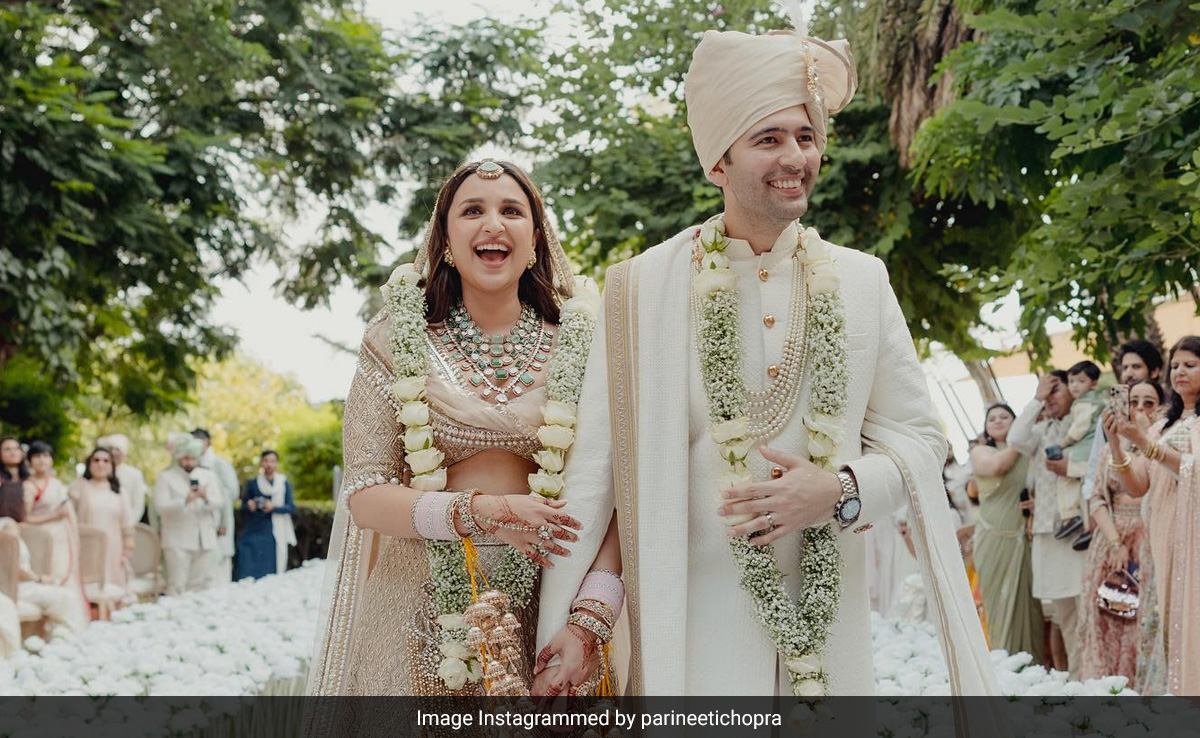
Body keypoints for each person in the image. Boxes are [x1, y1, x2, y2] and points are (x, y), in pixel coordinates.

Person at [534, 27, 995, 697]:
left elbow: (921, 441)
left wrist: (838, 489)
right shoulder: (640, 290)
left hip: (826, 634)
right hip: (690, 637)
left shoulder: (862, 282)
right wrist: (579, 620)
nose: (795, 158)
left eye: (806, 138)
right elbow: (602, 478)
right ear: (718, 163)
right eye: (769, 139)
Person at [305, 159, 592, 711]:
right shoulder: (394, 341)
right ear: (444, 240)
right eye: (472, 211)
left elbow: (612, 487)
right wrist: (486, 512)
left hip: (547, 601)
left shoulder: (582, 344)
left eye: (512, 211)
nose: (493, 224)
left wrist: (590, 619)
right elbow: (364, 495)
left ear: (536, 239)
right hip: (417, 605)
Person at [1105, 335, 1200, 695]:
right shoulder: (1165, 426)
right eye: (1175, 365)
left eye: (1190, 364)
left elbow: (1193, 469)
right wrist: (1117, 441)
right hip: (1162, 537)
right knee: (1169, 620)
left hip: (1193, 536)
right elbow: (1138, 485)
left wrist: (1146, 443)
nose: (1180, 372)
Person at [1077, 379, 1161, 682]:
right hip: (1111, 542)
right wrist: (1115, 544)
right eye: (1133, 401)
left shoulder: (1162, 448)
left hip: (1150, 539)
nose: (1139, 408)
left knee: (1141, 622)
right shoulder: (1108, 451)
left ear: (1160, 408)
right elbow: (1097, 498)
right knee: (1106, 616)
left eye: (1148, 402)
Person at [1008, 370, 1085, 675]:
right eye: (1045, 391)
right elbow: (1014, 438)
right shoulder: (1040, 433)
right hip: (1047, 532)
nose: (1049, 398)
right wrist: (1036, 398)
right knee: (1064, 613)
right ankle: (1078, 681)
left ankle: (1091, 680)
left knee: (1086, 610)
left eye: (1055, 390)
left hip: (1080, 531)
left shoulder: (1084, 427)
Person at [970, 403, 1043, 662]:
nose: (998, 421)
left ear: (1015, 422)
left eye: (1005, 417)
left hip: (1024, 538)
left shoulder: (1030, 456)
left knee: (1028, 607)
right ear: (986, 427)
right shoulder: (980, 451)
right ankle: (1001, 665)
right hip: (991, 539)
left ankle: (1031, 667)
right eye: (993, 418)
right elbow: (996, 468)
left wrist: (1037, 503)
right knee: (996, 605)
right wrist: (1021, 440)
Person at [0, 480, 87, 639]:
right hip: (16, 588)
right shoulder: (8, 527)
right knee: (66, 597)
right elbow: (10, 568)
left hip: (13, 586)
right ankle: (72, 641)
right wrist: (39, 578)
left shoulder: (9, 526)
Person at [21, 441, 87, 618]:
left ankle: (72, 619)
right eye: (37, 456)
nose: (42, 460)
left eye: (45, 456)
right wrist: (55, 516)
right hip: (43, 538)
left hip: (63, 538)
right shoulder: (29, 486)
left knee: (66, 575)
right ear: (30, 461)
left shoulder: (56, 483)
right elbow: (25, 518)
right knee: (52, 574)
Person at [153, 434, 223, 595]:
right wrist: (184, 501)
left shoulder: (208, 476)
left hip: (204, 538)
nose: (189, 462)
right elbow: (160, 506)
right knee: (177, 585)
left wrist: (205, 498)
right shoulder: (166, 477)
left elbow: (219, 502)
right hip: (178, 540)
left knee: (200, 586)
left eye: (193, 458)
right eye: (186, 458)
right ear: (178, 457)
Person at [69, 447, 132, 604]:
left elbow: (127, 524)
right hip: (86, 548)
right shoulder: (79, 487)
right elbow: (68, 519)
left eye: (106, 461)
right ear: (89, 464)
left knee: (113, 590)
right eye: (96, 460)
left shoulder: (120, 492)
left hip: (114, 548)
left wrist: (127, 550)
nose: (100, 464)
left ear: (112, 466)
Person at [1053, 360, 1103, 543]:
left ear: (1093, 383)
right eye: (1072, 381)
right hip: (1090, 453)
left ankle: (1070, 516)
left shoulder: (1086, 403)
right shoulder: (1093, 401)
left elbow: (1079, 428)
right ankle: (1089, 527)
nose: (1074, 385)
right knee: (1085, 489)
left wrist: (1063, 443)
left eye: (1081, 381)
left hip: (1083, 452)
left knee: (1064, 479)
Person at [235, 449, 297, 580]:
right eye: (266, 461)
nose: (269, 464)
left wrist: (273, 508)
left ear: (277, 464)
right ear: (261, 463)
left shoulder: (283, 483)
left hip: (275, 528)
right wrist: (250, 505)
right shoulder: (253, 483)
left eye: (272, 461)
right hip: (255, 527)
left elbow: (291, 507)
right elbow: (244, 506)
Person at [191, 429, 238, 584]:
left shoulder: (219, 464)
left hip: (219, 519)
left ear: (207, 442)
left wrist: (223, 521)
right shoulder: (189, 464)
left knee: (221, 564)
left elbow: (231, 493)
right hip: (197, 524)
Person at [98, 434, 147, 526]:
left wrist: (129, 524)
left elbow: (138, 505)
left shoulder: (134, 474)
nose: (114, 453)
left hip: (126, 524)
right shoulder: (99, 472)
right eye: (110, 449)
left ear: (124, 453)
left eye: (117, 450)